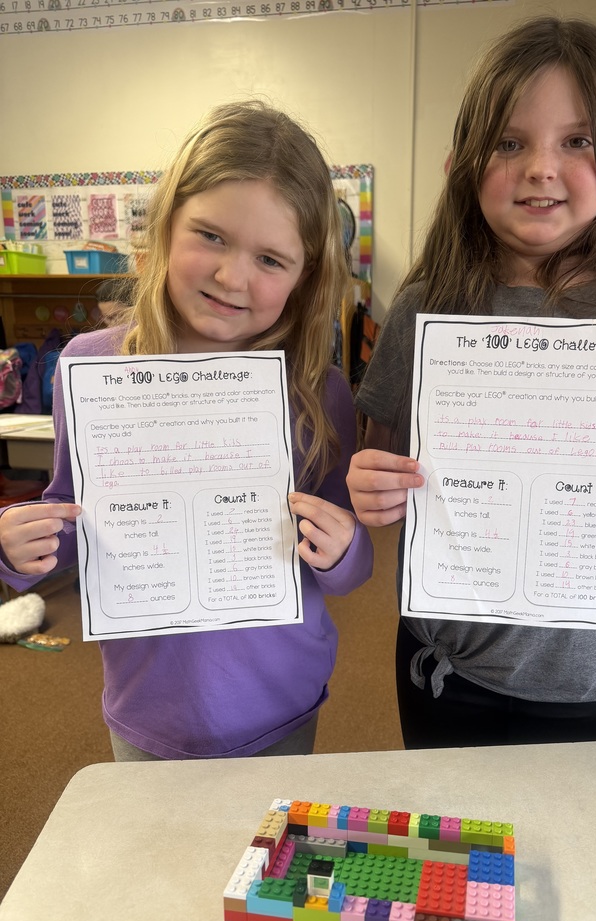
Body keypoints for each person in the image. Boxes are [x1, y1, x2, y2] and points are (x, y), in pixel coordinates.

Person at [347, 17, 596, 748]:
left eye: (575, 141)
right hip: (450, 665)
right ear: (468, 162)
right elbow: (382, 458)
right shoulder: (425, 306)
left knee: (573, 846)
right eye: (508, 142)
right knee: (453, 846)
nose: (540, 167)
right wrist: (373, 487)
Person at [0, 101, 373, 760]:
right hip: (149, 710)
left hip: (280, 706)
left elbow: (350, 567)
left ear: (306, 276)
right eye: (211, 237)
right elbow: (67, 520)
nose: (233, 277)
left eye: (271, 259)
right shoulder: (90, 366)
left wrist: (344, 549)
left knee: (271, 860)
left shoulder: (319, 393)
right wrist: (18, 546)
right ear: (167, 229)